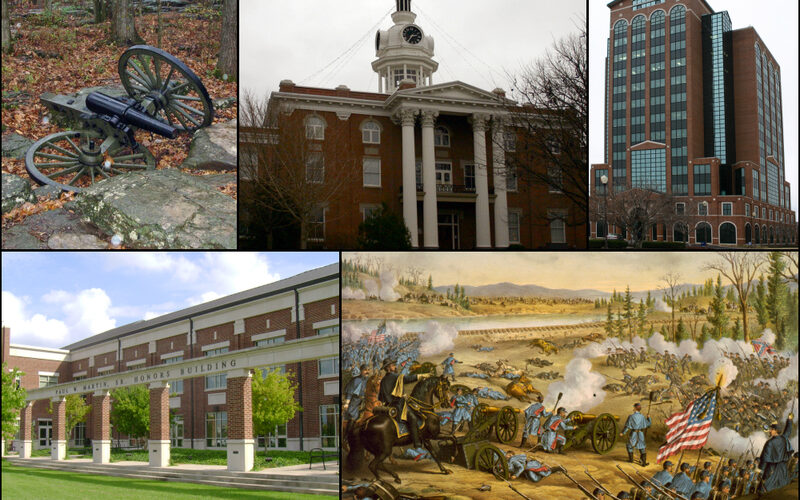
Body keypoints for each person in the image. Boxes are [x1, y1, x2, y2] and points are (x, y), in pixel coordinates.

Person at [378, 358, 432, 457]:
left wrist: (400, 396)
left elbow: (381, 397)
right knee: (413, 418)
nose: (395, 366)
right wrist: (421, 375)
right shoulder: (394, 376)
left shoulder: (384, 380)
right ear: (389, 368)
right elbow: (407, 379)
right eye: (393, 365)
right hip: (397, 406)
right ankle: (418, 446)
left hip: (389, 406)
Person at [758, 414, 794, 493]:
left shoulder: (770, 443)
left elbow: (765, 458)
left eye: (771, 429)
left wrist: (760, 470)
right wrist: (790, 420)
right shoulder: (784, 439)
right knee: (781, 490)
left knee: (765, 490)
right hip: (783, 468)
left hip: (772, 469)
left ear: (775, 430)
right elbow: (788, 431)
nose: (770, 431)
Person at [343, 364, 370, 436]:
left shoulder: (369, 380)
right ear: (361, 371)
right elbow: (349, 392)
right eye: (365, 370)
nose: (367, 372)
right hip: (355, 400)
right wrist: (346, 403)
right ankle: (347, 436)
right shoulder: (356, 380)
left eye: (368, 370)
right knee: (353, 416)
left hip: (366, 400)